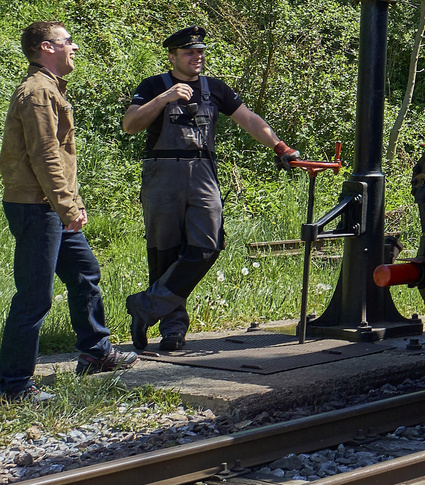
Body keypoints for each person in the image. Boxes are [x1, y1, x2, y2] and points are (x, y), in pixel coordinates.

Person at [121, 26, 298, 352]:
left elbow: (249, 119)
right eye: (189, 52)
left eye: (200, 51)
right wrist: (164, 98)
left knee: (208, 246)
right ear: (172, 56)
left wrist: (280, 147)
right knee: (165, 251)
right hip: (163, 172)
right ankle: (173, 330)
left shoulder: (215, 89)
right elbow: (130, 125)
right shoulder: (152, 86)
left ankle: (146, 306)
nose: (197, 56)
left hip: (202, 172)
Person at [2, 22, 137, 402]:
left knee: (84, 273)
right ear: (47, 48)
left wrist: (69, 203)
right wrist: (67, 206)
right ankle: (13, 385)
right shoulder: (38, 93)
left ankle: (95, 353)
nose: (74, 47)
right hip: (37, 206)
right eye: (67, 41)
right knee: (34, 296)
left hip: (50, 204)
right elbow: (45, 155)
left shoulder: (50, 89)